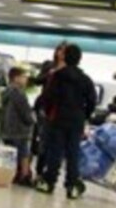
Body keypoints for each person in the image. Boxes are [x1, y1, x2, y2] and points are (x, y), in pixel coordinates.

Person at [35, 44, 98, 199]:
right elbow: (92, 100)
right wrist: (85, 115)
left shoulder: (56, 76)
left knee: (55, 152)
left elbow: (48, 96)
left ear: (64, 57)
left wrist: (47, 110)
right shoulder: (85, 79)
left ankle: (49, 182)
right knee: (73, 153)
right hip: (76, 119)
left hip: (58, 117)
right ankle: (71, 186)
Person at [33, 42, 67, 178]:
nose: (62, 54)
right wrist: (50, 74)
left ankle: (51, 170)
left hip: (60, 108)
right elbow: (37, 80)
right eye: (60, 50)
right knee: (43, 137)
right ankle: (40, 169)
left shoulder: (71, 70)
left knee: (55, 140)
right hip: (44, 106)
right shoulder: (49, 65)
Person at [0, 67, 36, 186]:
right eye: (24, 77)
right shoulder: (18, 93)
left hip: (7, 127)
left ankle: (7, 174)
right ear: (16, 78)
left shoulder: (6, 92)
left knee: (10, 153)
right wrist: (32, 121)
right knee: (23, 153)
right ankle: (24, 176)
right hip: (19, 129)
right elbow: (25, 112)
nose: (26, 79)